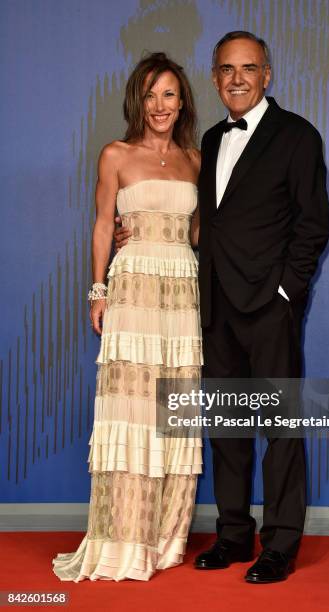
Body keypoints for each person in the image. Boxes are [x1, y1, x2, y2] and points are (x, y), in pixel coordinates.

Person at [115, 31, 329, 584]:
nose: (237, 78)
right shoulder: (207, 141)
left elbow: (313, 225)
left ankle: (280, 545)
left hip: (270, 307)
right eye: (227, 69)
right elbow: (201, 224)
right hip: (212, 308)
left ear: (266, 75)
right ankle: (234, 535)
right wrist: (138, 234)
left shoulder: (298, 136)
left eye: (249, 68)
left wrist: (286, 293)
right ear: (214, 79)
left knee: (280, 429)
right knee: (228, 429)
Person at [52, 52, 202, 582]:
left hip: (181, 293)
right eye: (150, 94)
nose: (159, 105)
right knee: (133, 411)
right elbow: (100, 225)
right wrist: (98, 289)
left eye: (168, 94)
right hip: (133, 287)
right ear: (137, 101)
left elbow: (199, 233)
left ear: (182, 101)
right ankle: (124, 539)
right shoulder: (115, 153)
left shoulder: (193, 159)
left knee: (173, 411)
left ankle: (165, 538)